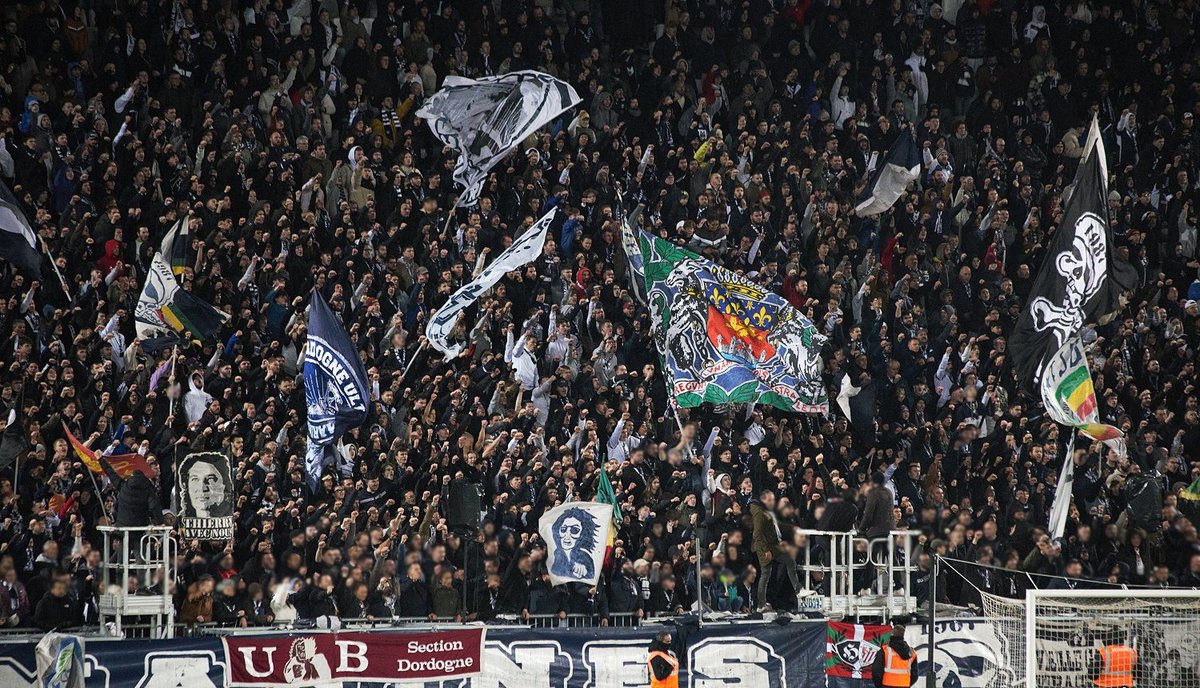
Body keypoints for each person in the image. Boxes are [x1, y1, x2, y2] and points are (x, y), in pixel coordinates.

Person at [99, 456, 162, 528]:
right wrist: (160, 522)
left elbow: (111, 473)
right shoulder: (148, 489)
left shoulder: (123, 486)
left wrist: (101, 460)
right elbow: (154, 506)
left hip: (122, 529)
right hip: (139, 530)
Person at [179, 453, 233, 519]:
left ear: (223, 485)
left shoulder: (232, 516)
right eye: (195, 479)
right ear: (186, 486)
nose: (202, 488)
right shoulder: (180, 523)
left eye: (210, 479)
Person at [871, 623, 918, 687]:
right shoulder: (912, 653)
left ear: (892, 634)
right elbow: (915, 674)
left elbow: (876, 671)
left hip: (887, 684)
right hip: (904, 685)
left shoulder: (885, 651)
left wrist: (879, 686)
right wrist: (906, 683)